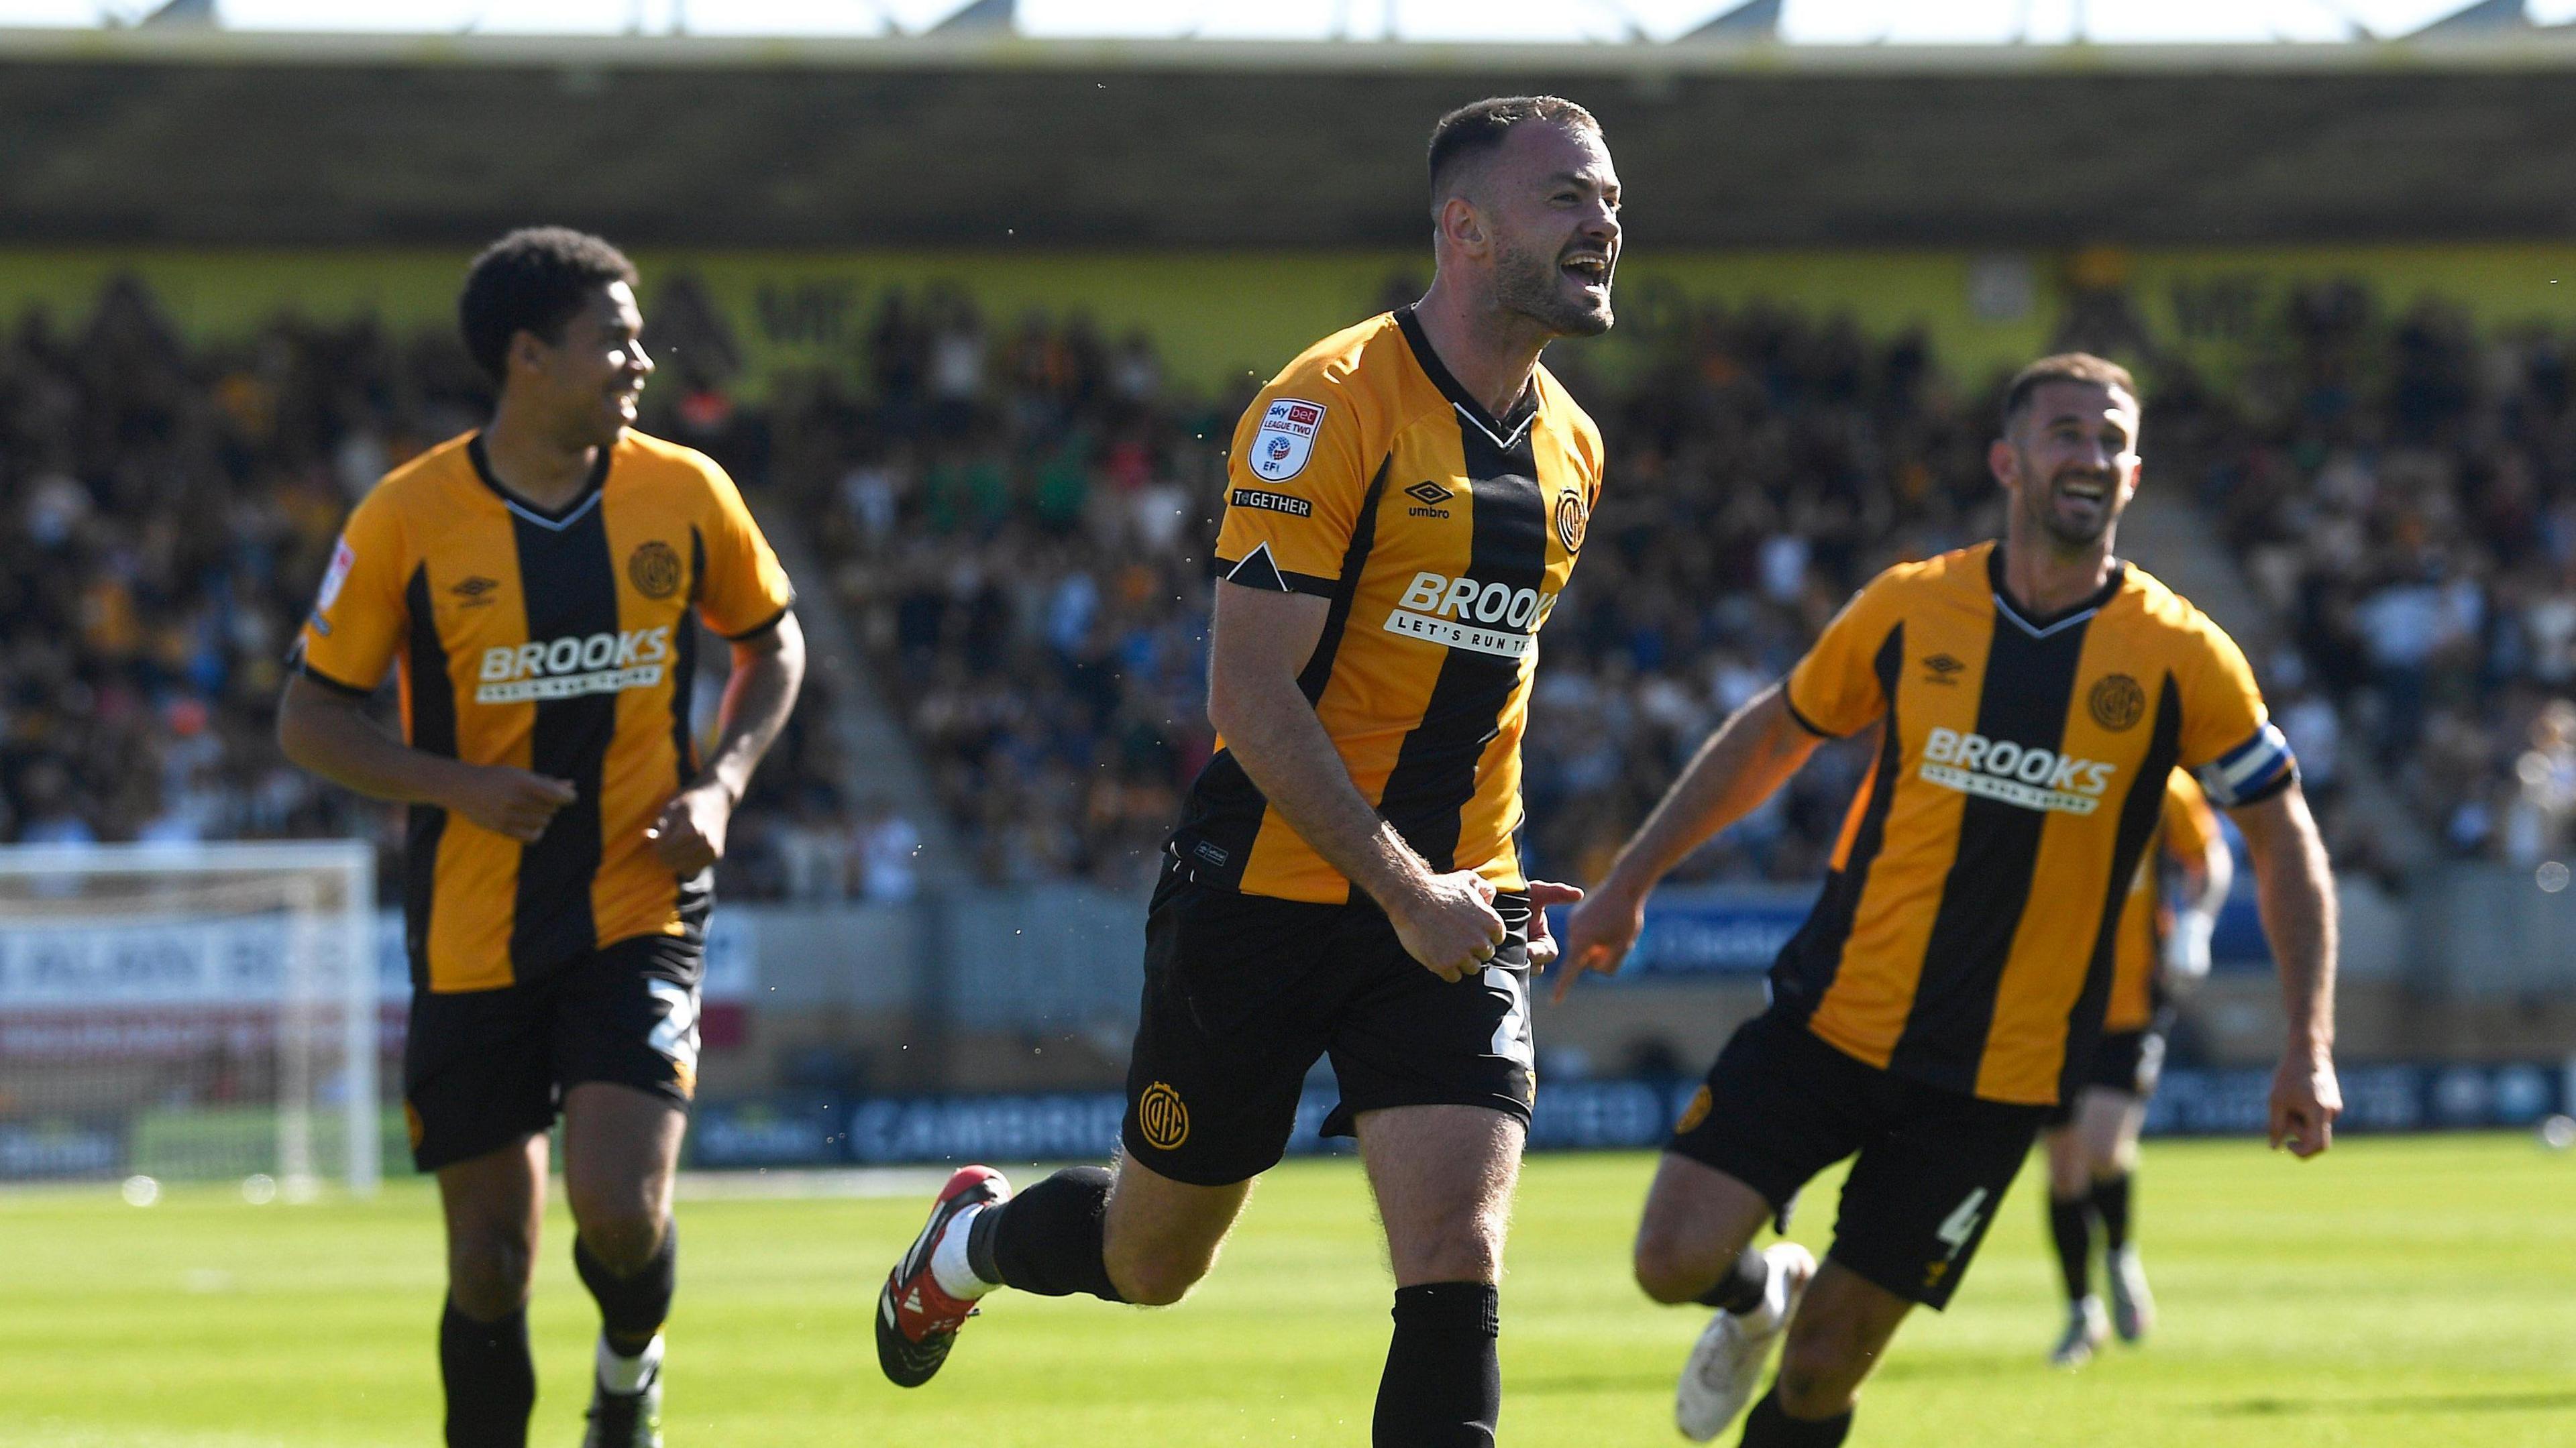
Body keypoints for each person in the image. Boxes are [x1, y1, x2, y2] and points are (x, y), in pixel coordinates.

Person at [872, 95, 1617, 1447]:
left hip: (1457, 904)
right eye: (1567, 196)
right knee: (1153, 1257)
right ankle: (965, 1250)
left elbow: (1483, 687)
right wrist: (1402, 885)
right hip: (1269, 887)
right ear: (1464, 228)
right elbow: (1248, 696)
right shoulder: (1328, 406)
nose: (1606, 219)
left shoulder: (1574, 445)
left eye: (1609, 195)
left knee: (1457, 1244)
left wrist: (1480, 873)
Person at [1554, 353, 2343, 1447]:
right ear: (2008, 459)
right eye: (2069, 431)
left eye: (2114, 440)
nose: (2094, 455)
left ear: (2136, 473)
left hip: (1992, 1080)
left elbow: (2281, 829)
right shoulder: (1914, 607)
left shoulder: (2181, 655)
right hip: (1829, 1021)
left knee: (1824, 1369)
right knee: (1670, 1259)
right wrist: (1630, 879)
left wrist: (2307, 1040)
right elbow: (1776, 732)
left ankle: (1799, 1340)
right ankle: (1757, 1288)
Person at [277, 227, 804, 1448]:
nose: (638, 358)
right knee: (490, 1256)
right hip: (473, 927)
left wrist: (723, 782)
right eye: (611, 337)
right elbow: (307, 714)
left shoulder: (685, 488)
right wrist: (450, 782)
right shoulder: (410, 516)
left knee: (617, 1208)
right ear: (526, 356)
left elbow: (772, 638)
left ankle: (629, 1372)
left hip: (639, 901)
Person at [2041, 767, 2229, 1368]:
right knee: (2064, 1167)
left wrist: (2196, 924)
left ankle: (2120, 1257)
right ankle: (2080, 1311)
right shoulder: (2040, 771)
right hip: (2048, 1004)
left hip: (2131, 1000)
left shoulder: (2163, 786)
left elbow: (2212, 861)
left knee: (2102, 1146)